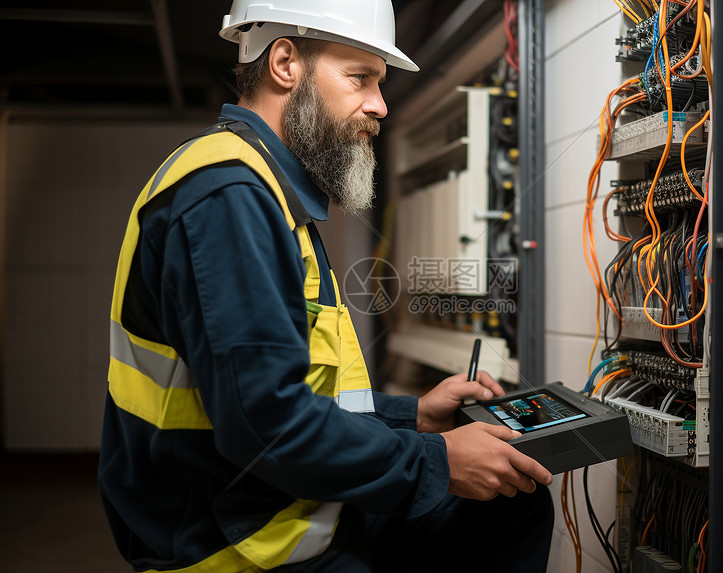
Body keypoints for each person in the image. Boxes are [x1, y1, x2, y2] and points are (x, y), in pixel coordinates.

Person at [98, 1, 554, 571]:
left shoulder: (267, 191)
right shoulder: (229, 197)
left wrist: (410, 417)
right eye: (359, 77)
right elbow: (267, 427)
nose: (380, 106)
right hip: (235, 538)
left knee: (513, 502)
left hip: (267, 506)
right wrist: (435, 460)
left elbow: (296, 391)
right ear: (285, 63)